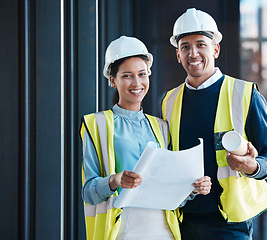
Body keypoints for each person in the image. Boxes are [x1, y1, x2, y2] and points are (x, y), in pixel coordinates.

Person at [162, 8, 267, 240]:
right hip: (181, 221)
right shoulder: (169, 101)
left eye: (201, 44)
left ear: (215, 49)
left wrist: (253, 167)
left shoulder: (246, 94)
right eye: (185, 46)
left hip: (231, 225)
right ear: (178, 54)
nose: (193, 53)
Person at [79, 36, 212, 240]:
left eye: (142, 74)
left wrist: (192, 189)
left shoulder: (161, 126)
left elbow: (171, 189)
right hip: (123, 230)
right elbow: (88, 192)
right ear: (113, 80)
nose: (137, 83)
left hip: (163, 229)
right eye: (127, 76)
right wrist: (115, 180)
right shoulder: (96, 124)